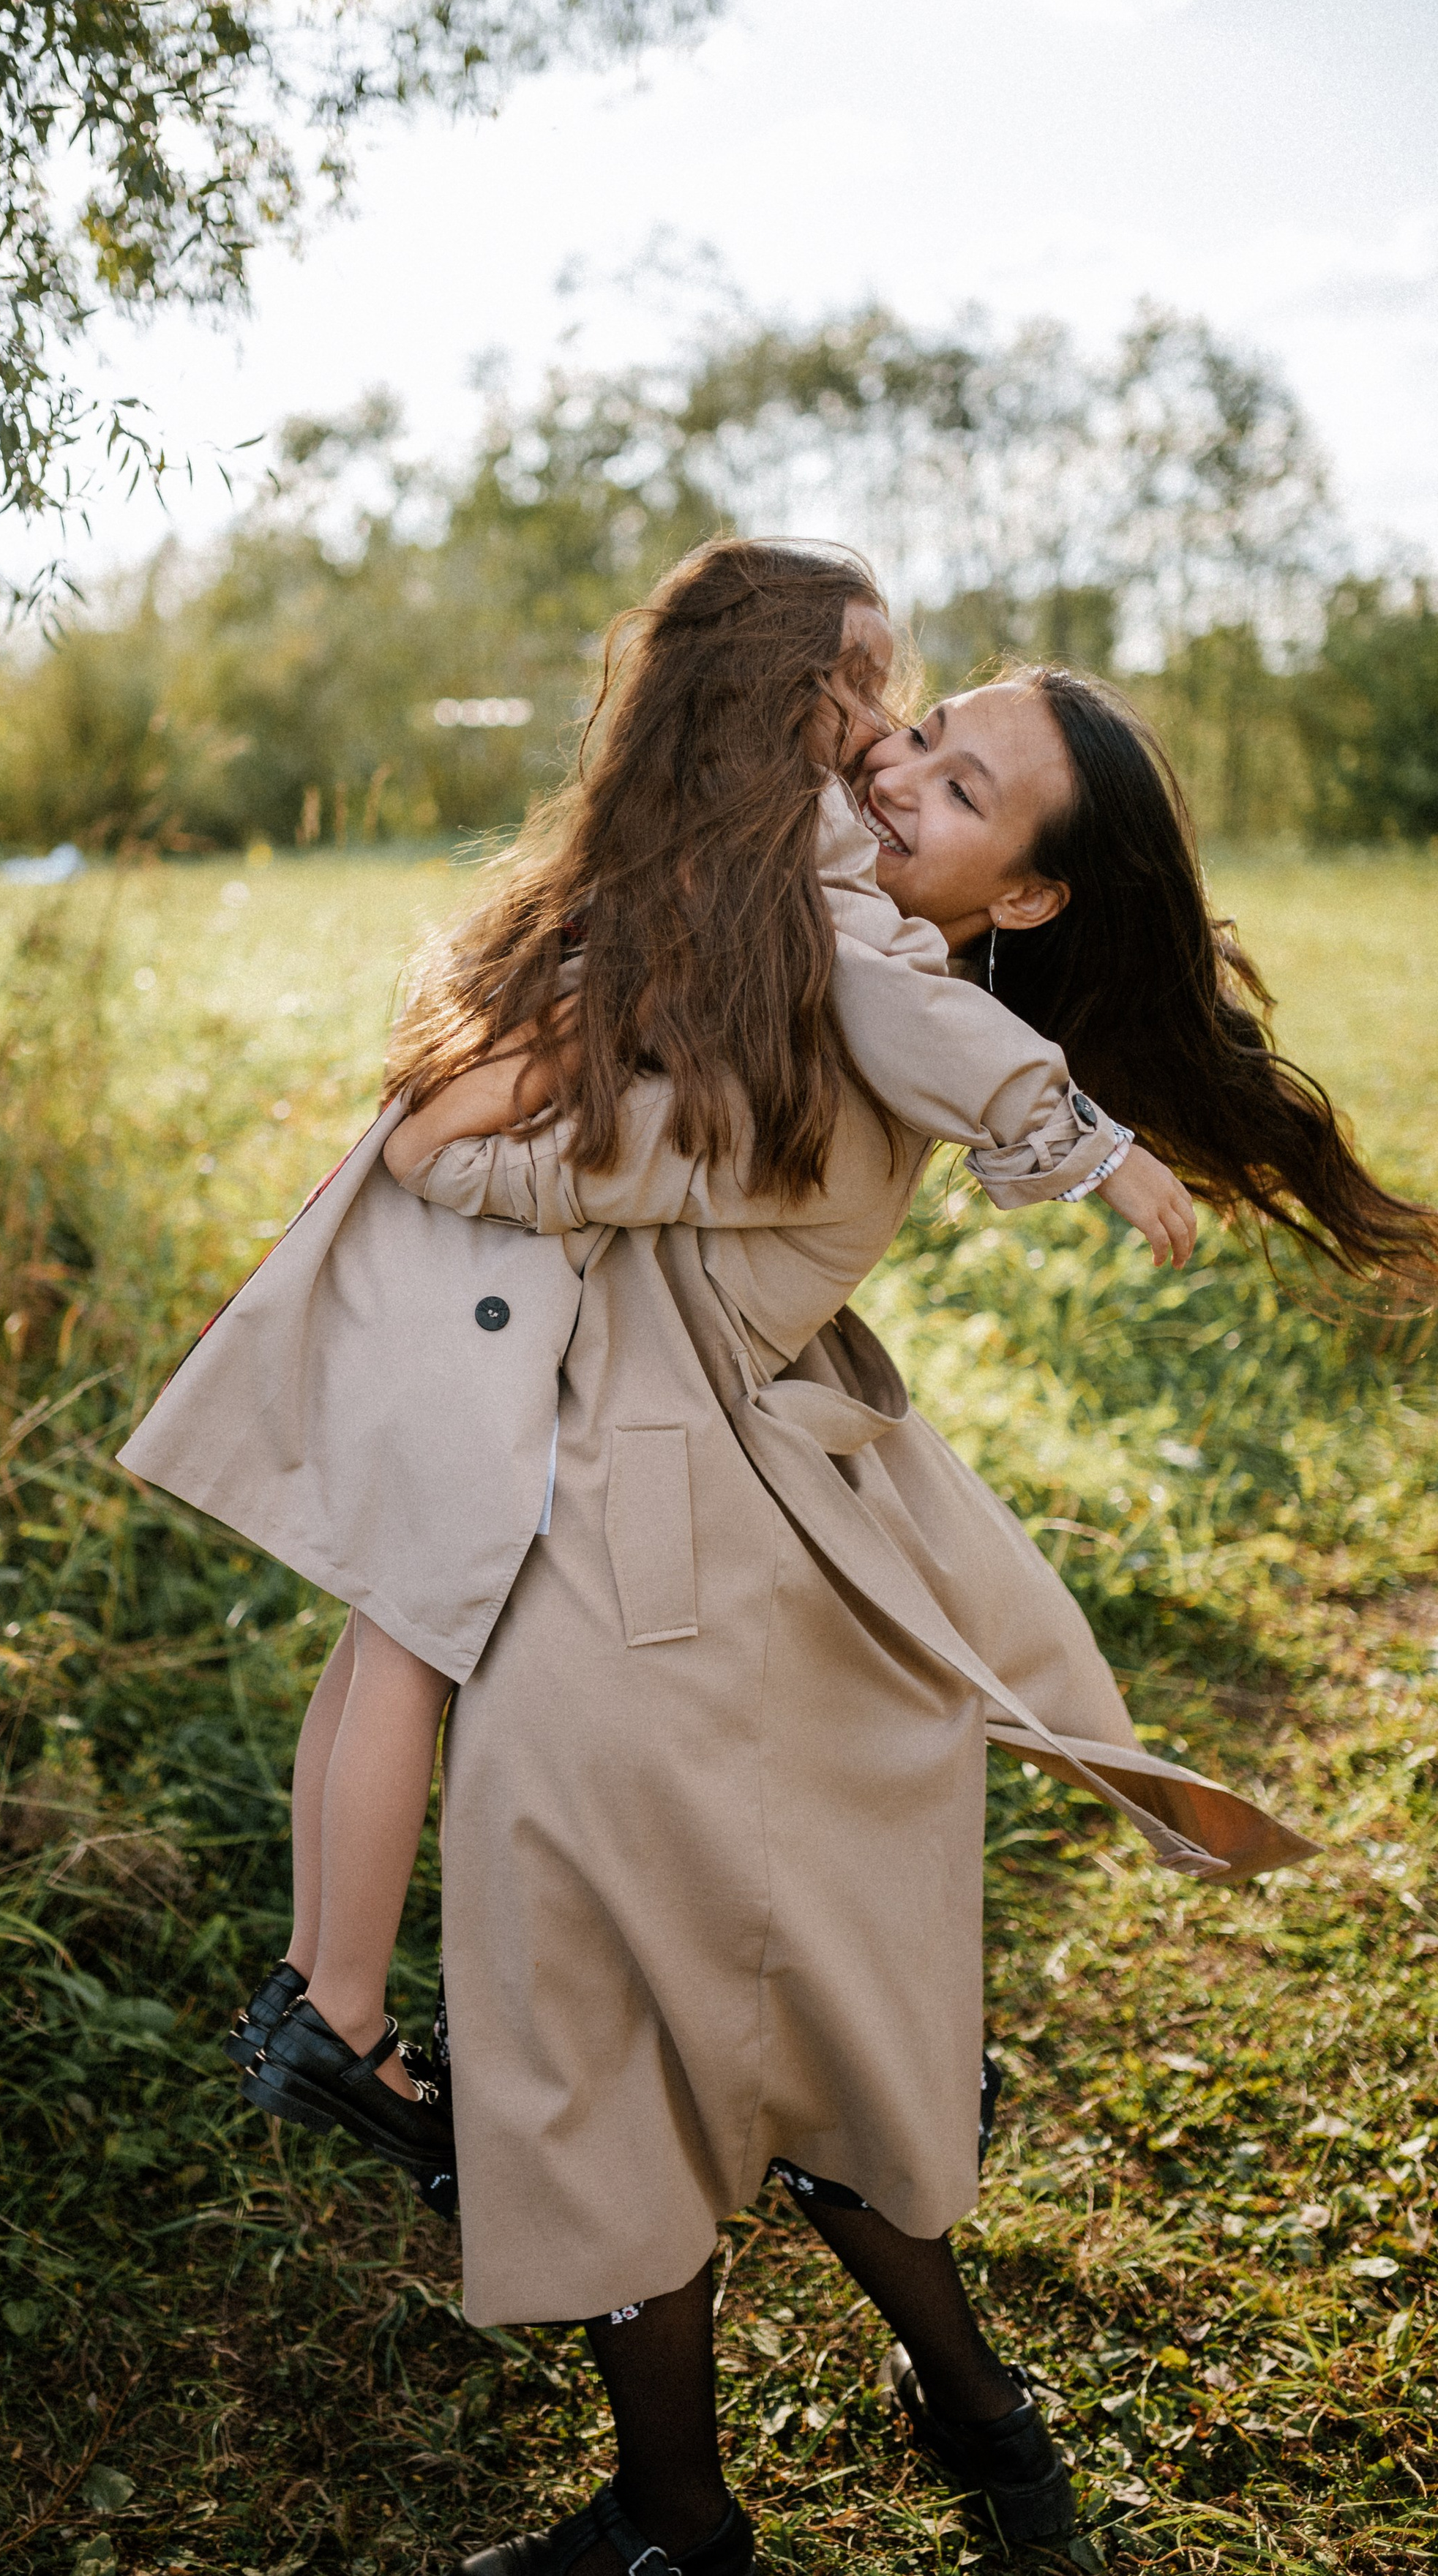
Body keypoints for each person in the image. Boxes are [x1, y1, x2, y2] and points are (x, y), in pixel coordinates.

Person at [369, 661, 1436, 2576]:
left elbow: (542, 1152)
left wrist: (434, 1129)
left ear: (1020, 897)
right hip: (658, 1524)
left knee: (633, 2033)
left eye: (955, 792)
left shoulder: (877, 1005)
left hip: (662, 1569)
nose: (892, 779)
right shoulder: (827, 941)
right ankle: (951, 2421)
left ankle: (699, 2515)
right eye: (918, 731)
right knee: (737, 2041)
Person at [121, 541, 1191, 2190]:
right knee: (417, 1639)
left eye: (938, 747)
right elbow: (492, 1130)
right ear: (803, 704)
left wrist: (471, 1139)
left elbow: (863, 1034)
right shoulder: (805, 877)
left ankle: (330, 1993)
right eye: (886, 702)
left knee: (390, 1635)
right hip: (499, 1314)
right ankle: (342, 2008)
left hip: (483, 1302)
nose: (893, 741)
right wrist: (1076, 1138)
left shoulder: (717, 847)